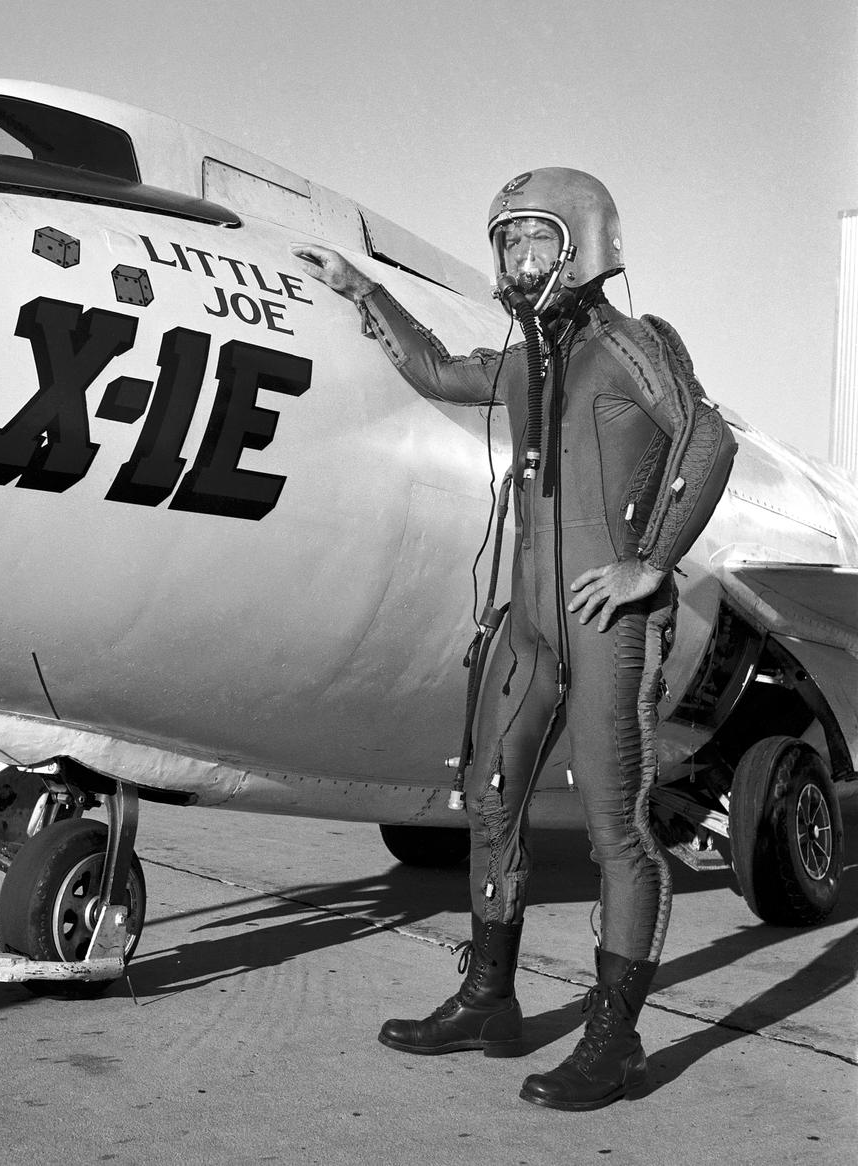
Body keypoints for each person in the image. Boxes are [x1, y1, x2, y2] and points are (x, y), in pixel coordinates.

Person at [292, 168, 736, 1111]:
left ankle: (615, 1043)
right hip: (528, 630)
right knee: (490, 802)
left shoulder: (634, 344)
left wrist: (650, 562)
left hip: (608, 629)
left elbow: (707, 442)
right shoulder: (524, 362)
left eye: (538, 241)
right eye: (509, 243)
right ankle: (489, 1000)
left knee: (619, 831)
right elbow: (432, 370)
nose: (521, 260)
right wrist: (362, 290)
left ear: (583, 246)